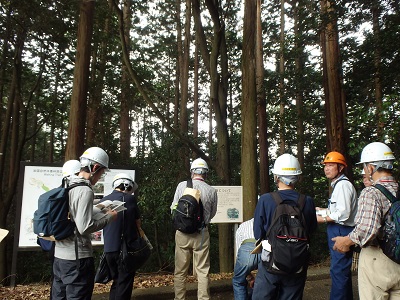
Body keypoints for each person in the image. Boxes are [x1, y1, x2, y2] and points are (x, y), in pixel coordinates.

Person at [332, 142, 399, 299]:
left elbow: (366, 230)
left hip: (377, 260)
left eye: (364, 167)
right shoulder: (398, 188)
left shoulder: (371, 192)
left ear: (371, 168)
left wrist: (346, 241)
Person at [52, 147, 117, 300]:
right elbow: (84, 227)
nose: (100, 177)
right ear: (95, 168)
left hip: (59, 256)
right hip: (77, 259)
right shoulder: (85, 190)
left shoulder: (67, 183)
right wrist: (109, 217)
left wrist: (98, 207)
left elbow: (73, 214)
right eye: (101, 173)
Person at [252, 153, 317, 299]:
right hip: (298, 262)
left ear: (276, 177)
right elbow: (311, 230)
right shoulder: (307, 201)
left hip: (271, 261)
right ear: (297, 177)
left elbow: (258, 233)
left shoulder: (266, 200)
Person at [170, 158, 218, 300]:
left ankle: (179, 298)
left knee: (180, 271)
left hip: (182, 233)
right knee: (203, 271)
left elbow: (173, 207)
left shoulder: (182, 186)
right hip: (201, 233)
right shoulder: (211, 191)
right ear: (206, 174)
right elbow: (212, 213)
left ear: (192, 172)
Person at [316, 151, 358, 300]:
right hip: (339, 228)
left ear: (340, 168)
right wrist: (321, 211)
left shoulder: (343, 186)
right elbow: (337, 210)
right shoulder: (338, 185)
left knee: (339, 271)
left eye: (331, 165)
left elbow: (344, 214)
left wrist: (321, 219)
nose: (327, 168)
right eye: (325, 165)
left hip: (341, 230)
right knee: (340, 271)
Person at [101, 173, 142, 300]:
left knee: (117, 282)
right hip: (125, 250)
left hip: (109, 250)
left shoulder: (104, 200)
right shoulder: (130, 199)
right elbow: (138, 223)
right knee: (124, 284)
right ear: (128, 185)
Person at [232, 218, 260, 300]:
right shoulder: (269, 223)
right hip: (262, 250)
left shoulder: (242, 226)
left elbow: (238, 253)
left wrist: (250, 277)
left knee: (238, 281)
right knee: (263, 281)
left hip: (246, 252)